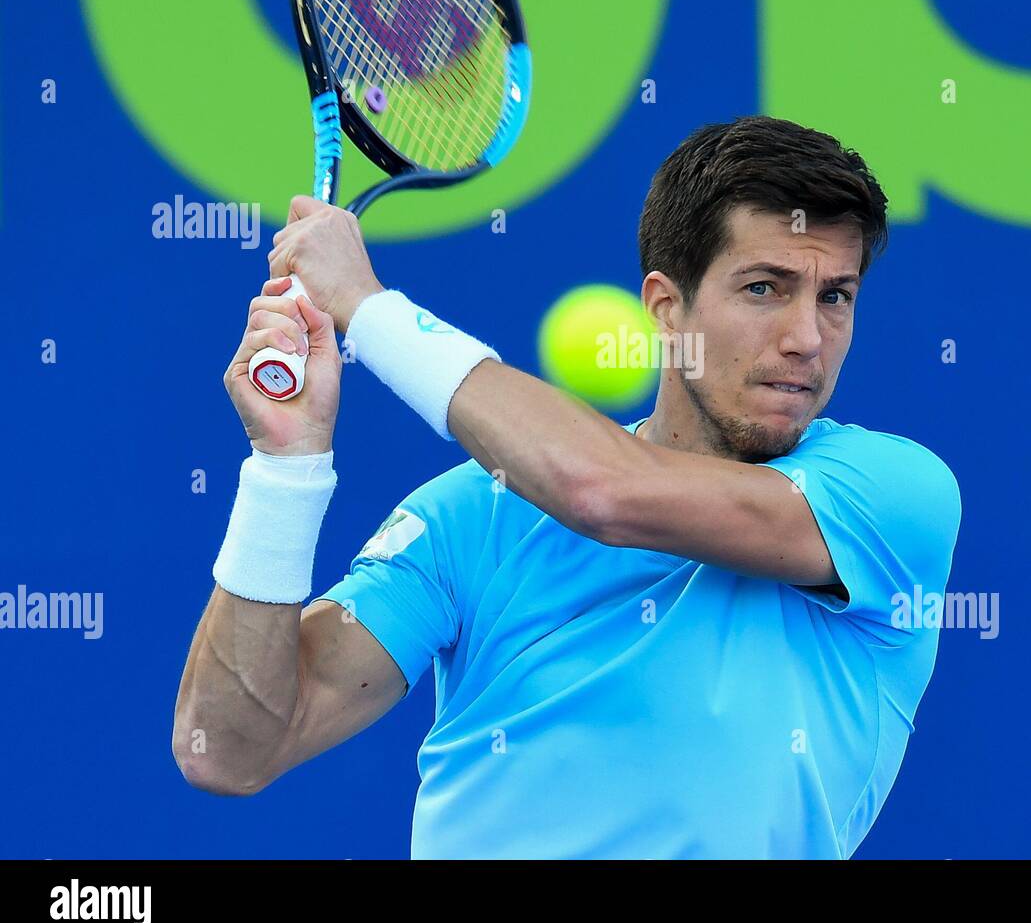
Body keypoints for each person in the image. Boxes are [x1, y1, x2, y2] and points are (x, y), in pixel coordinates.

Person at [173, 115, 962, 859]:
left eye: (836, 297)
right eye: (765, 287)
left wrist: (368, 310)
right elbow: (230, 750)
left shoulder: (894, 497)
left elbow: (602, 491)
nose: (805, 339)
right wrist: (286, 469)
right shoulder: (468, 517)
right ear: (666, 305)